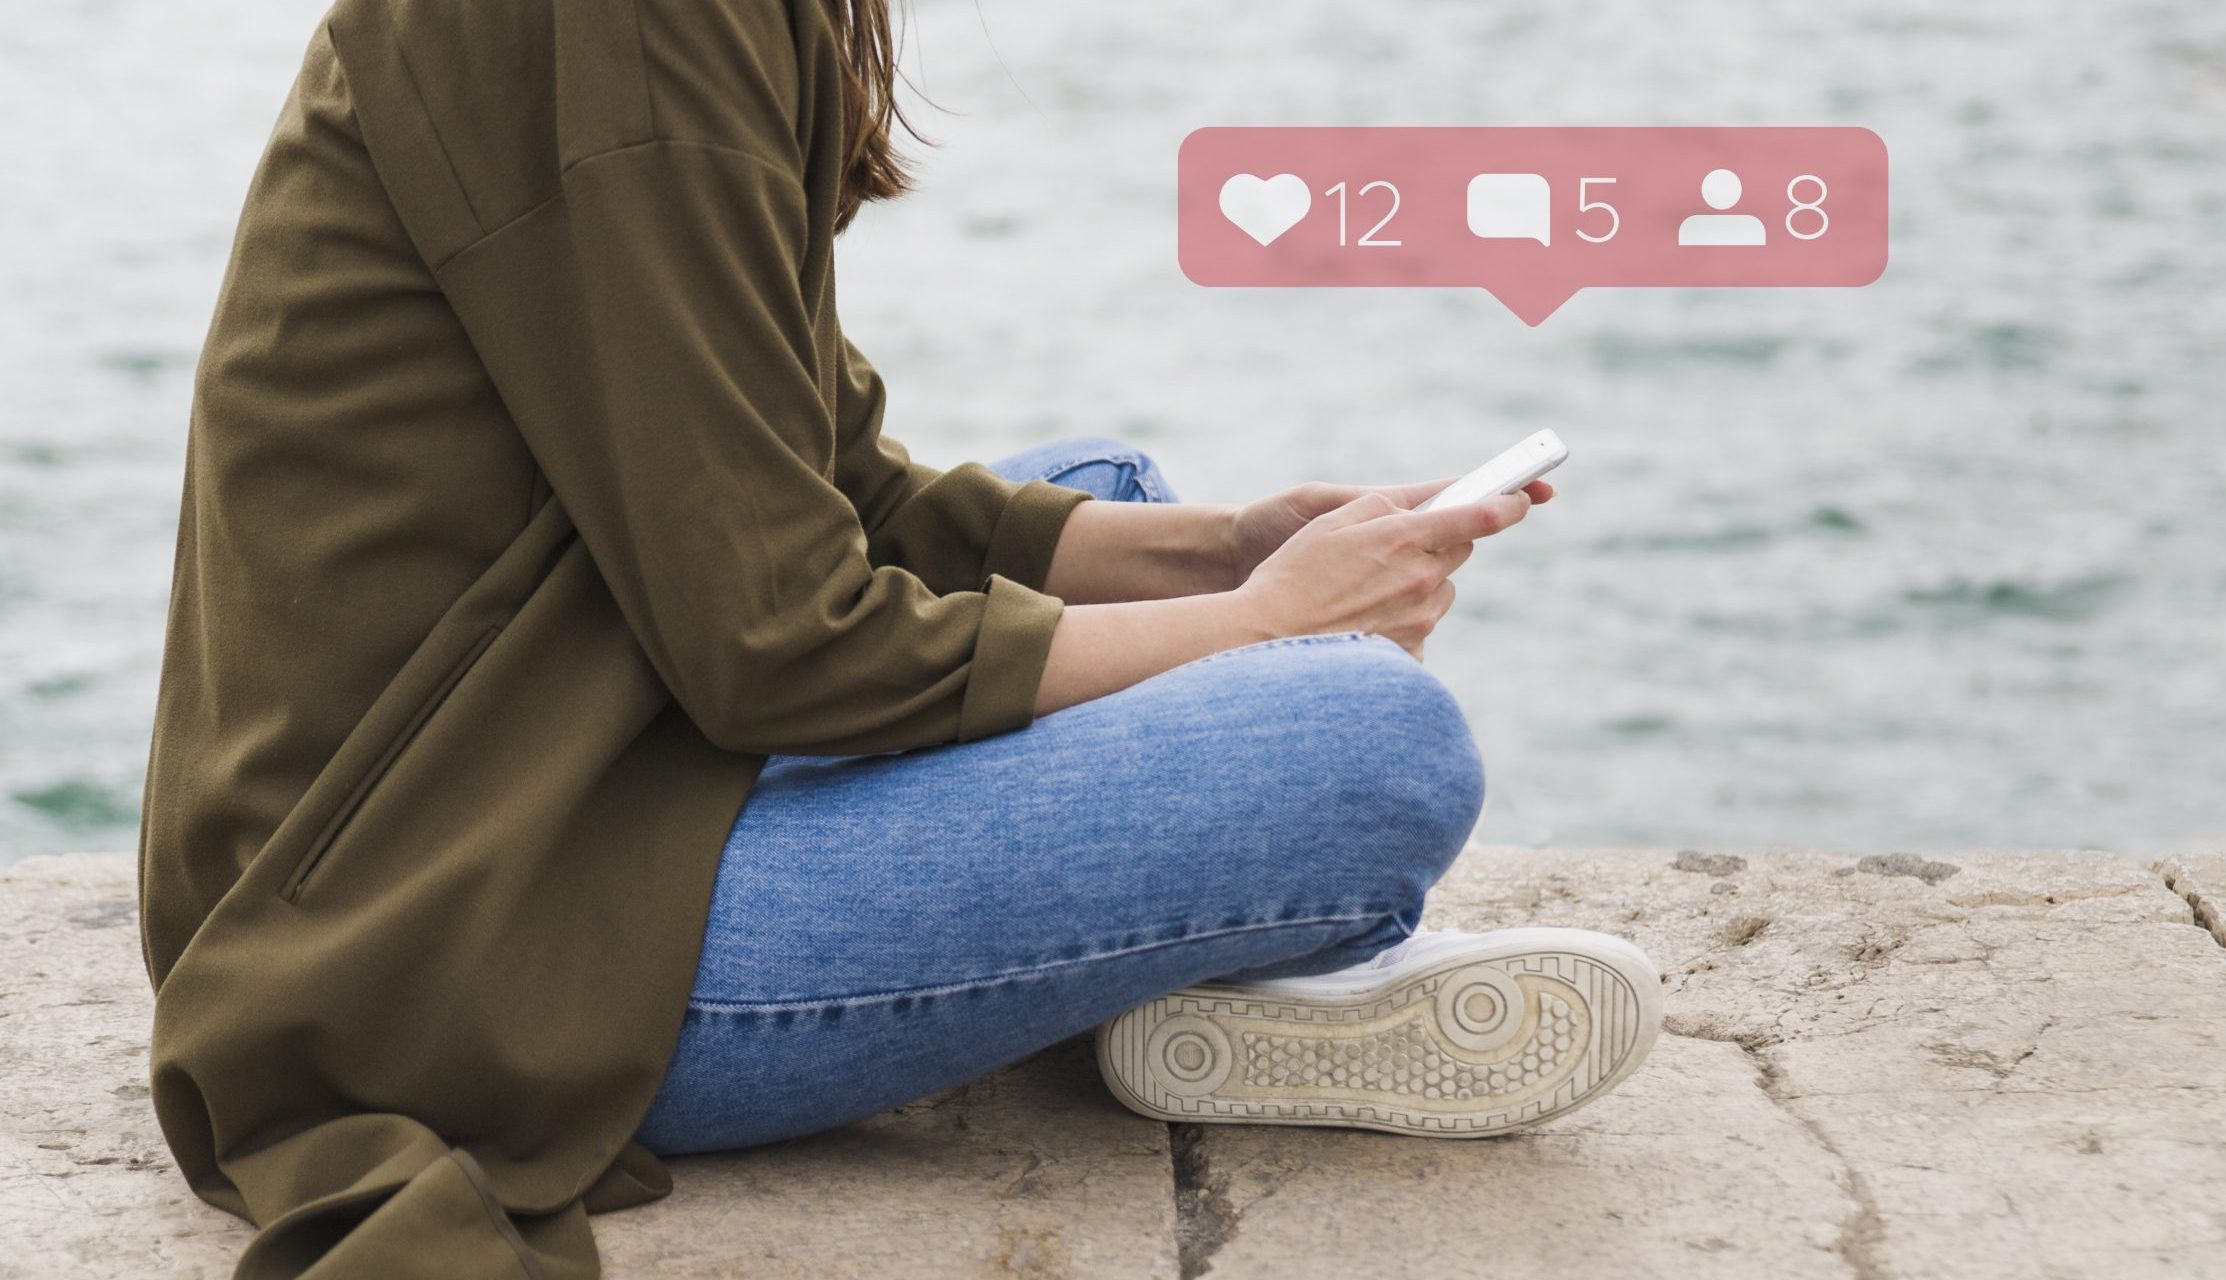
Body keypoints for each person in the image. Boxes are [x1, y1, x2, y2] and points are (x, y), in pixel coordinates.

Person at [138, 0, 1660, 1273]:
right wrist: (1261, 627)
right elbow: (780, 641)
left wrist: (1222, 552)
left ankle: (1223, 965)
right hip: (456, 924)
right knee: (1372, 746)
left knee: (1107, 494)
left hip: (546, 745)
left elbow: (825, 486)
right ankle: (1257, 961)